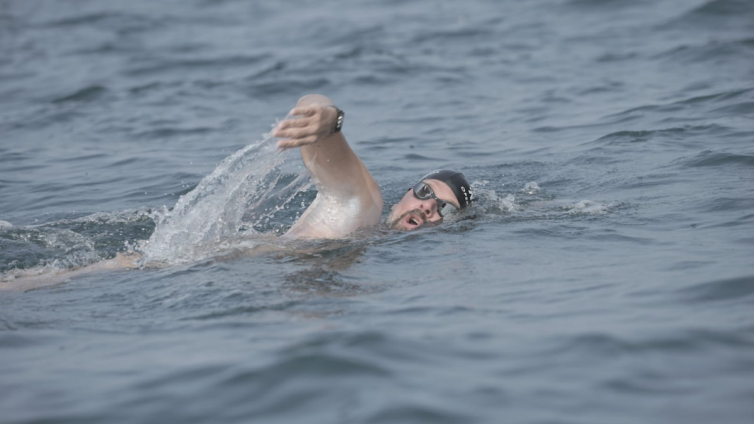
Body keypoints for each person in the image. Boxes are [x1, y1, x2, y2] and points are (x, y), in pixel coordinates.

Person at [273, 94, 474, 238]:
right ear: (399, 200)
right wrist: (329, 119)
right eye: (424, 191)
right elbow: (311, 101)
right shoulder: (360, 213)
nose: (428, 206)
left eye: (445, 209)